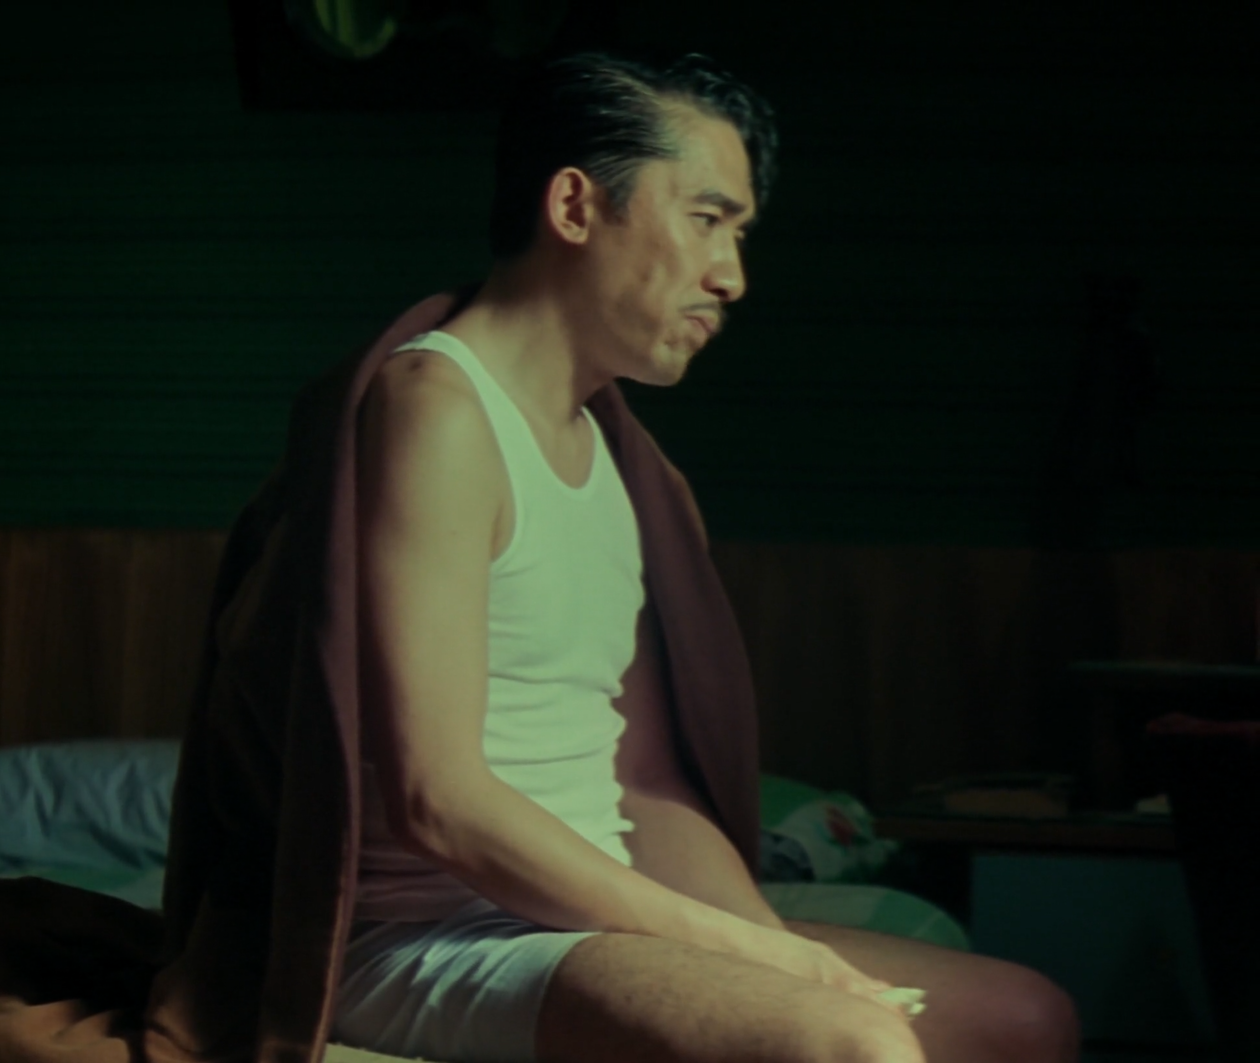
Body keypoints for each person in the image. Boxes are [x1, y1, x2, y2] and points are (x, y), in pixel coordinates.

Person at [312, 52, 1081, 1063]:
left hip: (588, 921)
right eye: (707, 219)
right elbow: (435, 800)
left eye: (739, 233)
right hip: (431, 938)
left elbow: (640, 785)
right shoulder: (438, 412)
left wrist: (767, 946)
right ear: (576, 206)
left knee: (1028, 1018)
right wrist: (739, 953)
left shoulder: (626, 465)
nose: (732, 276)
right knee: (853, 1043)